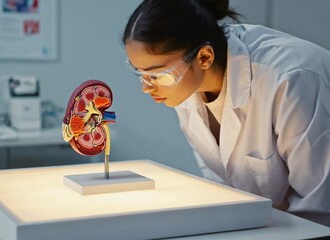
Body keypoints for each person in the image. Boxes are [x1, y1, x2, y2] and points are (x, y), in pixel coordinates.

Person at [122, 0, 330, 226]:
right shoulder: (185, 87)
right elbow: (223, 189)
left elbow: (317, 209)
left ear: (204, 58)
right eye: (140, 73)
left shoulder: (291, 81)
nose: (146, 87)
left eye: (157, 74)